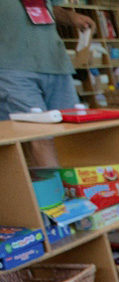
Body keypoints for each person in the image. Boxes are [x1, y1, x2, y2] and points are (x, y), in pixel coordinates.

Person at [2, 0, 95, 165]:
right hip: (11, 67)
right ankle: (56, 190)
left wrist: (72, 17)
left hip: (55, 63)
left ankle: (79, 186)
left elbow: (53, 8)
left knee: (71, 133)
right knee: (39, 136)